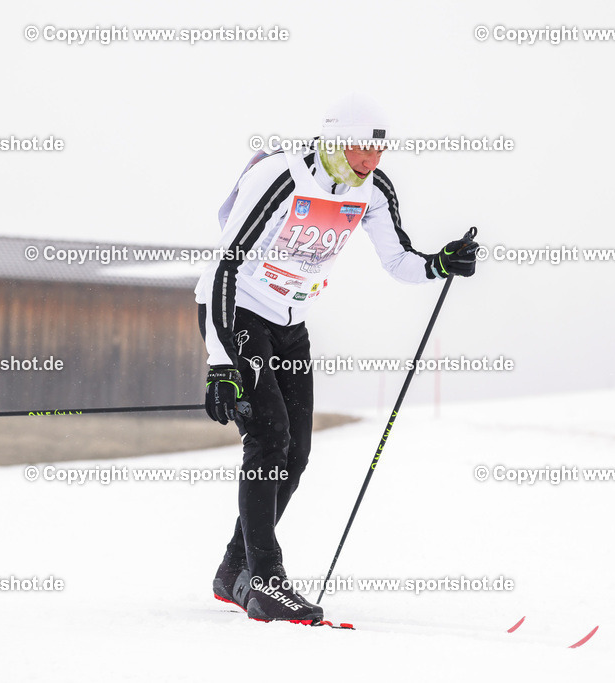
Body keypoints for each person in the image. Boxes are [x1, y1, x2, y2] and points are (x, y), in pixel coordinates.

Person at [194, 94, 478, 623]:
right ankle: (265, 580)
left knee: (296, 453)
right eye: (359, 150)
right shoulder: (283, 175)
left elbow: (398, 260)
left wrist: (441, 264)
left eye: (378, 152)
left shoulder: (373, 189)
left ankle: (234, 568)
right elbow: (223, 268)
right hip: (239, 311)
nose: (369, 161)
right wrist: (220, 362)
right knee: (269, 436)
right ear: (333, 141)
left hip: (290, 323)